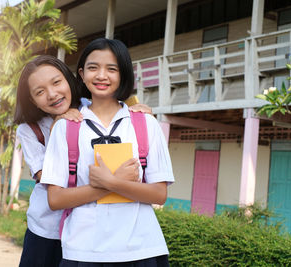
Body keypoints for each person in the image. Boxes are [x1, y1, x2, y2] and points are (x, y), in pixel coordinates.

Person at [42, 38, 174, 266]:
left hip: (141, 249)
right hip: (82, 251)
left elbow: (159, 194)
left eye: (111, 69)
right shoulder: (65, 127)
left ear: (123, 74)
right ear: (82, 74)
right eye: (93, 68)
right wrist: (109, 184)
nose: (101, 75)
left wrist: (111, 183)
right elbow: (55, 199)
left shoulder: (146, 123)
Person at [13, 54, 151, 267]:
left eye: (57, 82)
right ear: (32, 100)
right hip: (47, 231)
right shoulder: (29, 129)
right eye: (39, 92)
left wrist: (140, 114)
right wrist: (58, 129)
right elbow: (48, 179)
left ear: (69, 79)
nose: (52, 94)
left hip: (89, 230)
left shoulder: (96, 109)